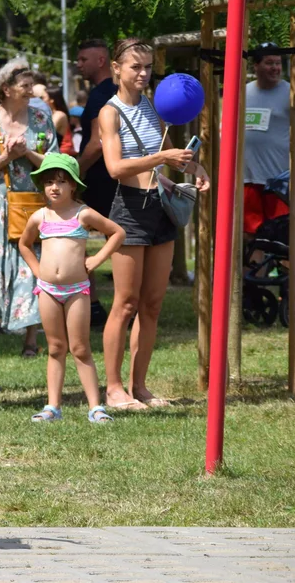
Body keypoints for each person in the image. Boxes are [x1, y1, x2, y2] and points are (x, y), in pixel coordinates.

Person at [99, 38, 210, 410]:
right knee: (125, 303)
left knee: (152, 304)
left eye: (147, 67)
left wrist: (195, 168)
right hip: (129, 209)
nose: (144, 74)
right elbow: (115, 168)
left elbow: (170, 160)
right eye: (136, 67)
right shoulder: (109, 112)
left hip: (161, 206)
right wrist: (160, 156)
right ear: (117, 68)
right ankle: (114, 389)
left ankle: (139, 386)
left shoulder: (153, 107)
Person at [18, 154, 125, 423]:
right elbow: (24, 244)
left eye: (62, 182)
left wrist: (96, 259)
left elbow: (117, 233)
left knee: (80, 348)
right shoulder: (40, 216)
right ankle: (52, 406)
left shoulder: (83, 213)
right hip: (47, 290)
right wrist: (36, 270)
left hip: (77, 290)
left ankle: (96, 407)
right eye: (50, 182)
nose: (55, 187)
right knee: (55, 347)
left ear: (73, 186)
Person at [0, 58, 58, 358]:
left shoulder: (40, 118)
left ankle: (31, 337)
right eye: (24, 86)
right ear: (6, 89)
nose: (31, 91)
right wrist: (6, 159)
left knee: (31, 268)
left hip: (30, 203)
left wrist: (29, 154)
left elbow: (55, 164)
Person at [75, 40, 117, 327]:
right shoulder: (113, 92)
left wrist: (74, 172)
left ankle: (92, 306)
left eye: (83, 59)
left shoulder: (102, 95)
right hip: (114, 179)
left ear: (101, 60)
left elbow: (96, 143)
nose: (79, 64)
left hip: (102, 180)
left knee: (75, 237)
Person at [243, 42, 291, 242]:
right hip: (248, 178)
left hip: (278, 180)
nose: (275, 68)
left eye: (278, 63)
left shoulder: (292, 92)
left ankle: (288, 274)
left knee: (283, 235)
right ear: (256, 66)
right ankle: (249, 274)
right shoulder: (243, 93)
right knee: (251, 235)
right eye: (269, 63)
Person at [41, 86, 74, 155]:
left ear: (51, 100)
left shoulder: (59, 114)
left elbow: (46, 132)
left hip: (60, 156)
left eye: (42, 98)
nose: (40, 101)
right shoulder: (50, 114)